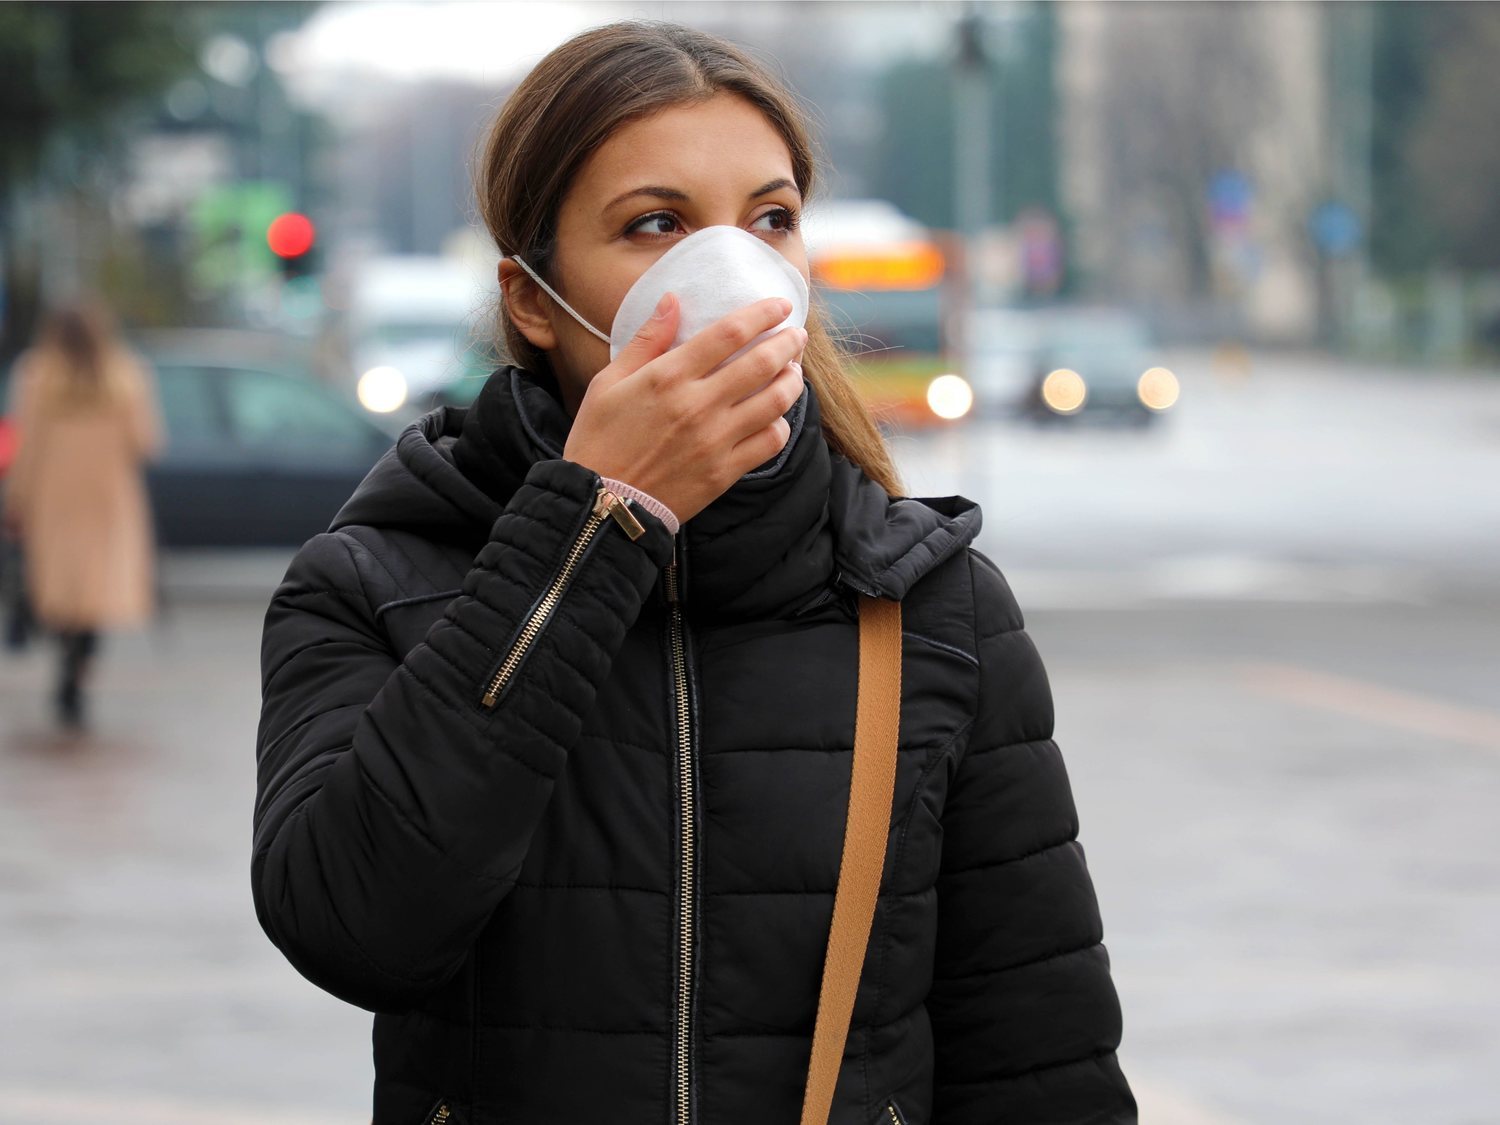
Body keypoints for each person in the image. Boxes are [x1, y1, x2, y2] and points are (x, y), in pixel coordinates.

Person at [252, 21, 1136, 1125]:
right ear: (534, 298)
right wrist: (592, 529)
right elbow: (356, 927)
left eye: (771, 220)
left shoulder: (931, 606)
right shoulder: (375, 581)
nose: (736, 271)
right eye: (657, 224)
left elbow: (1039, 1062)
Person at [2, 300, 163, 729]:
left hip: (53, 497)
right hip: (109, 498)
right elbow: (147, 441)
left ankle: (66, 659)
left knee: (60, 589)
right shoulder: (127, 375)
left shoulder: (35, 374)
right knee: (96, 591)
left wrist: (16, 499)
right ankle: (79, 668)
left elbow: (27, 446)